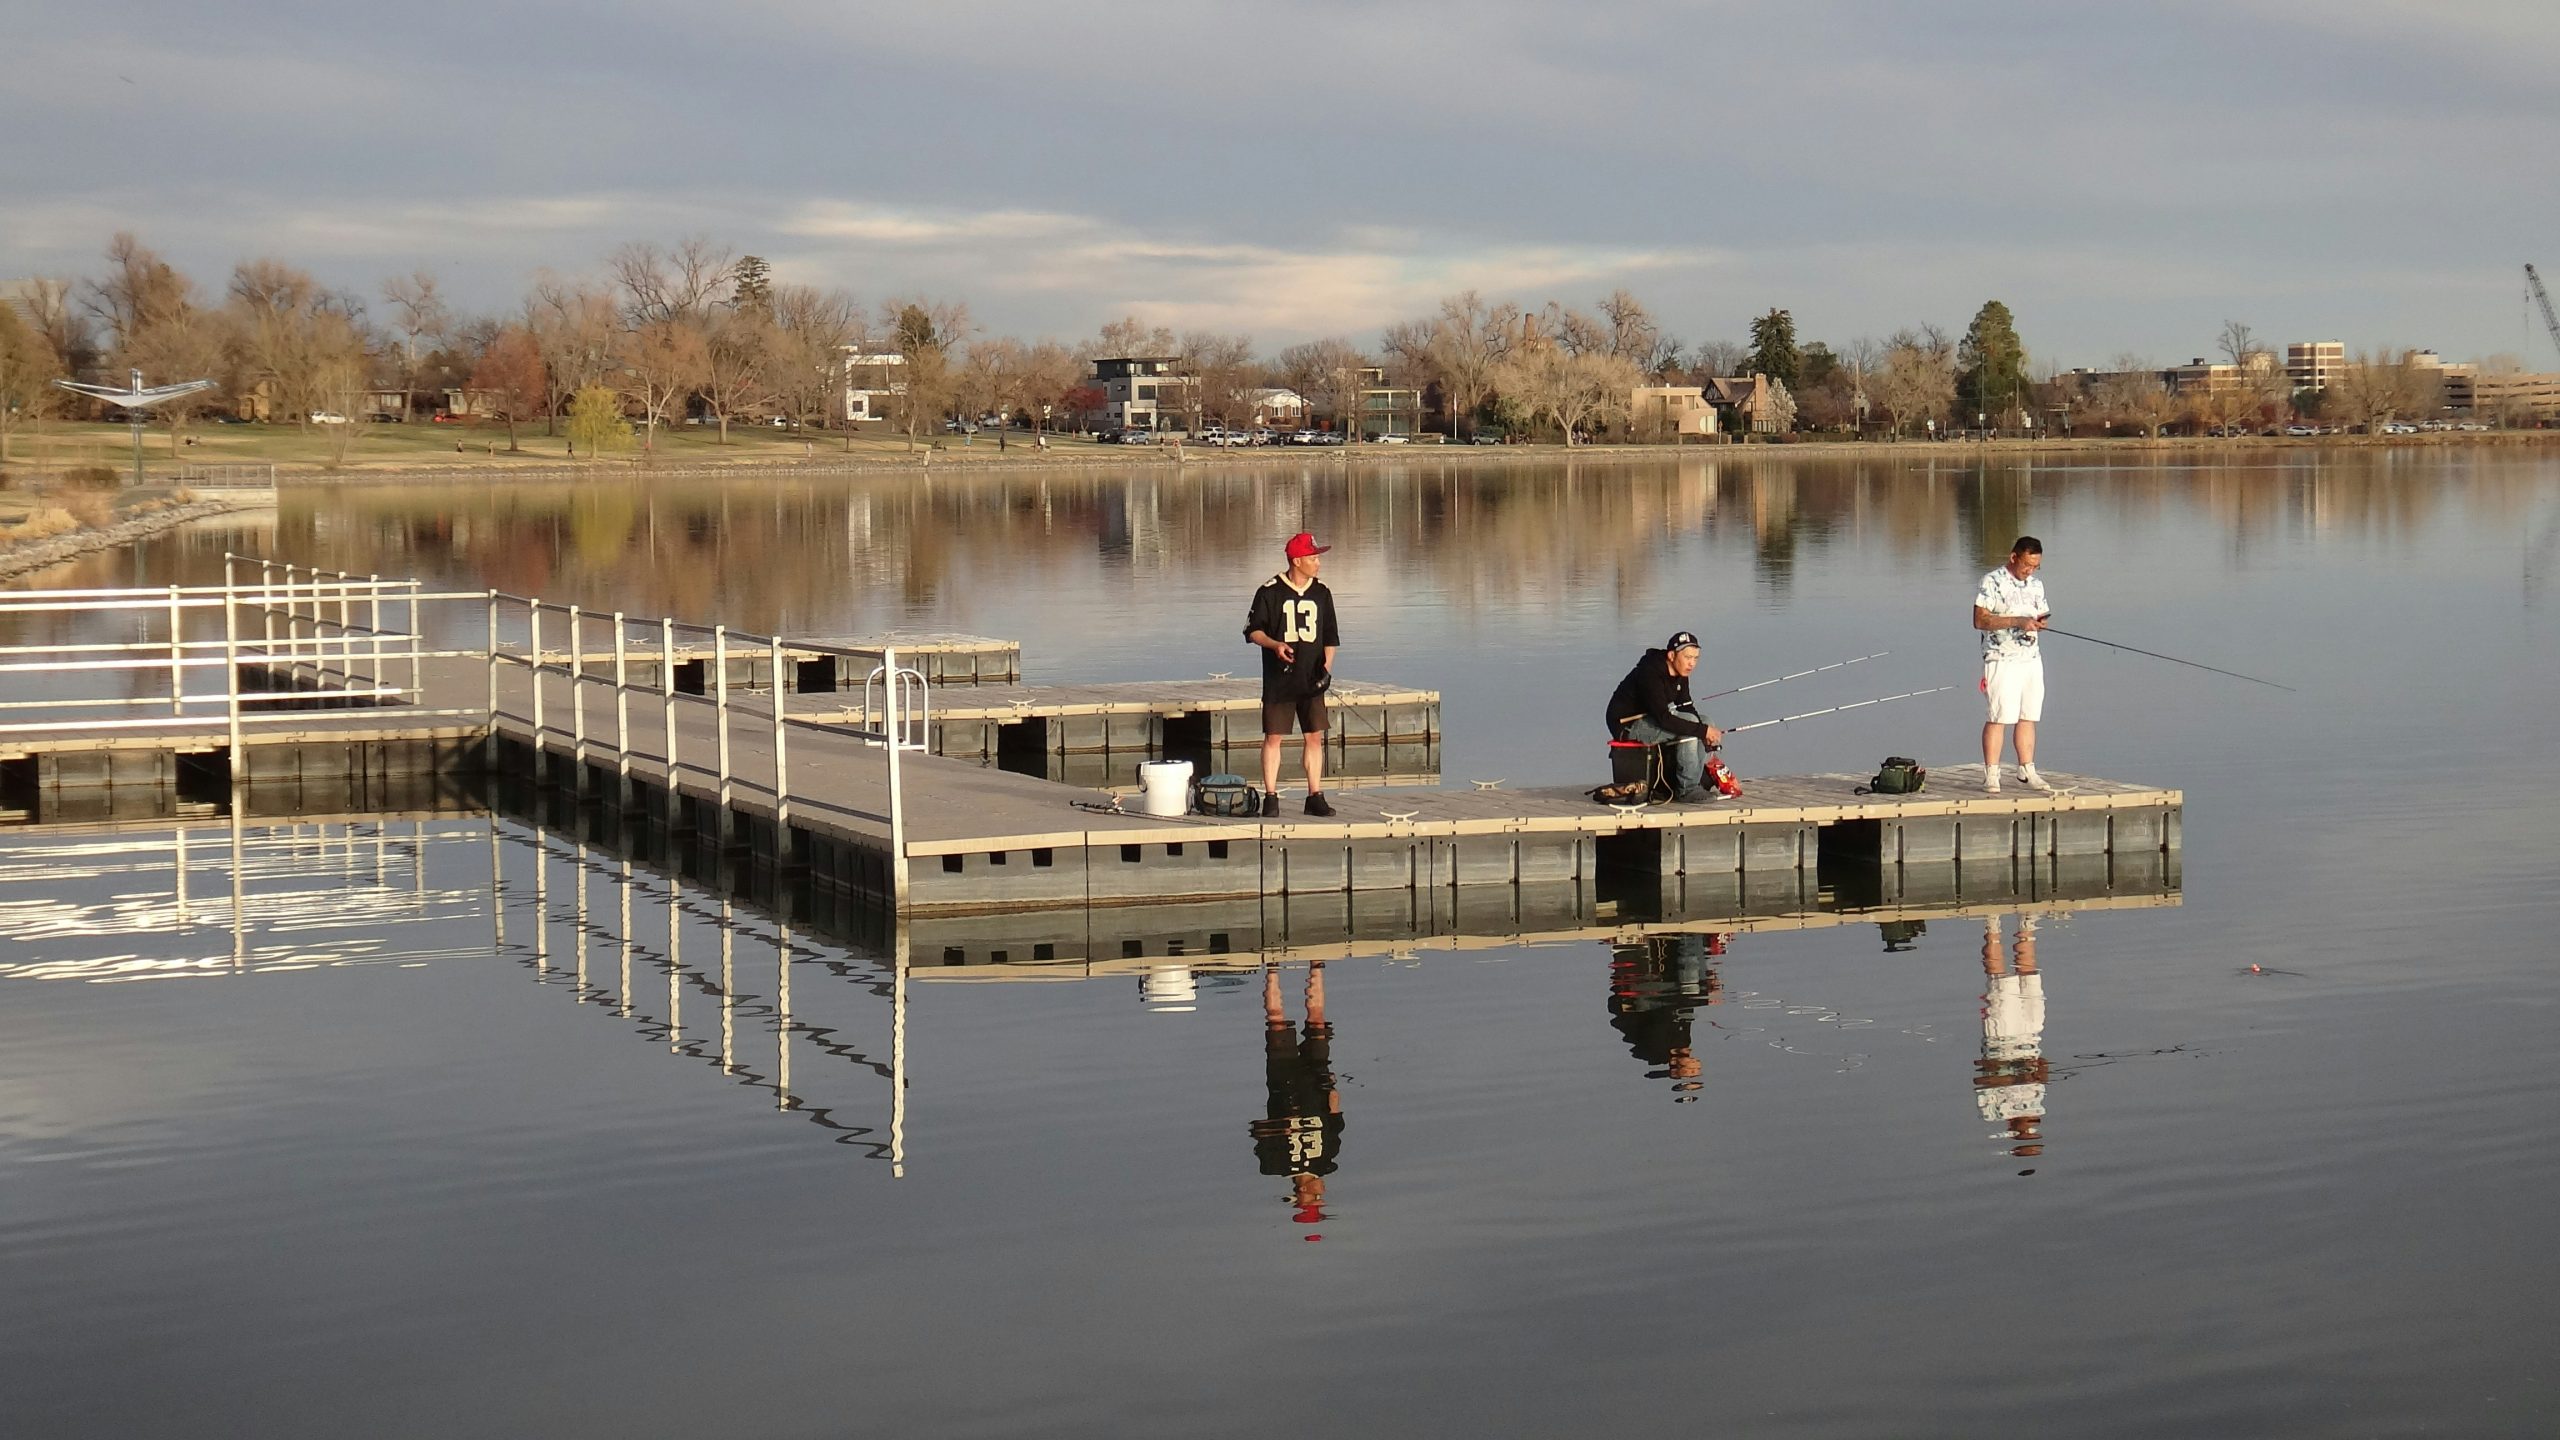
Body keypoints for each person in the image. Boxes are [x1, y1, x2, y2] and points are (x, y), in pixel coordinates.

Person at [1244, 532, 1341, 817]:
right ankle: (1271, 797)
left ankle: (1315, 796)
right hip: (1280, 679)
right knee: (1274, 737)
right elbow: (1254, 631)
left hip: (1311, 680)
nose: (1318, 562)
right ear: (1297, 561)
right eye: (1313, 558)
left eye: (1317, 557)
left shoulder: (1322, 592)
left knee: (1314, 736)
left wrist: (1326, 671)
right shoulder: (1270, 591)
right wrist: (1275, 646)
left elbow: (1330, 637)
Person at [1250, 962, 1343, 1228]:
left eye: (1316, 1198)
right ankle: (1316, 967)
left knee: (1276, 1021)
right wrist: (1332, 1093)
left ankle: (1273, 970)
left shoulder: (1273, 1164)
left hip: (1284, 1083)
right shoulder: (1328, 1161)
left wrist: (1283, 1127)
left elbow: (1257, 1130)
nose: (1322, 1192)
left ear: (1302, 1195)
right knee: (1317, 1019)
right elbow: (1335, 1121)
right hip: (1317, 1082)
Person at [1603, 630, 1725, 803]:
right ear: (1671, 655)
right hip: (1627, 724)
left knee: (1705, 721)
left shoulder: (1681, 674)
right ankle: (1686, 790)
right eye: (1687, 657)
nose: (1692, 663)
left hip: (1652, 718)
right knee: (1693, 727)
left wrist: (1704, 730)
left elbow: (1686, 706)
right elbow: (1663, 718)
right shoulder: (1650, 673)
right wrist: (1700, 730)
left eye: (1695, 658)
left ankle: (1694, 784)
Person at [1973, 536, 2051, 793]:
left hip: (2030, 658)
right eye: (2027, 565)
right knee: (1999, 716)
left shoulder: (2036, 585)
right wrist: (2017, 621)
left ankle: (2026, 769)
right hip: (2000, 657)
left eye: (2035, 566)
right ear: (2014, 557)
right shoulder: (1992, 581)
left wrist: (2038, 623)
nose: (2030, 571)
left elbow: (2040, 614)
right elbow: (1980, 620)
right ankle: (1992, 774)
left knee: (2028, 714)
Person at [1975, 915, 2047, 1161]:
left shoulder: (1992, 1112)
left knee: (2000, 982)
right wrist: (2037, 1074)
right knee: (2031, 977)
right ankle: (2027, 926)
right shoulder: (2037, 1105)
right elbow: (2044, 1067)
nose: (2032, 1125)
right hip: (2031, 1037)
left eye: (2028, 1134)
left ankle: (1992, 925)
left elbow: (1982, 1075)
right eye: (2034, 1130)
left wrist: (2017, 1076)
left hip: (2001, 1039)